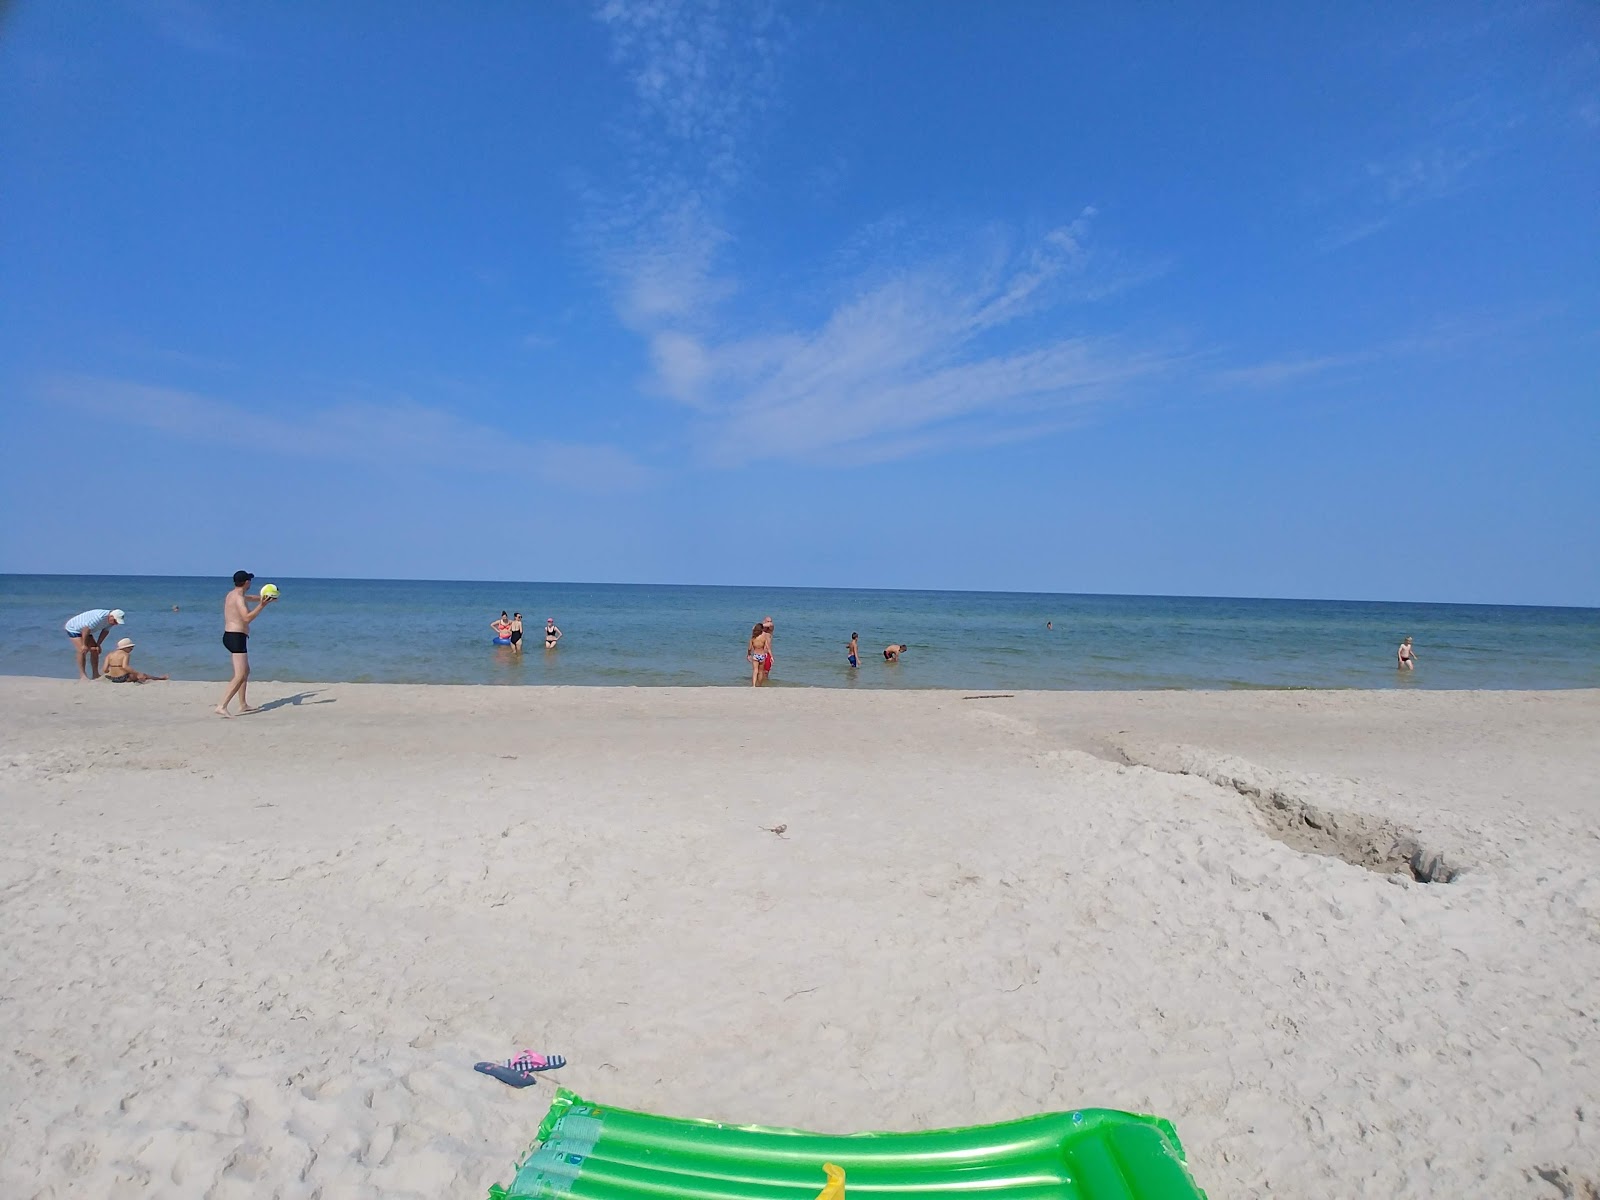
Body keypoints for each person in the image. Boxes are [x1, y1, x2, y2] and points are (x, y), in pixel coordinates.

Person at [215, 570, 276, 718]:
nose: (251, 582)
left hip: (231, 636)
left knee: (245, 671)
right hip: (236, 637)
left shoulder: (233, 594)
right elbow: (247, 618)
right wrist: (262, 606)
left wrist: (265, 599)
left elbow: (250, 598)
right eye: (250, 580)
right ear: (246, 582)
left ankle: (243, 704)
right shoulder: (239, 598)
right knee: (240, 674)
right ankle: (221, 705)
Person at [63, 607, 126, 680]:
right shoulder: (99, 617)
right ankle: (82, 675)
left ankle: (95, 674)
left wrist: (98, 645)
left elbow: (105, 631)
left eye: (117, 622)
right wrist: (84, 644)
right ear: (111, 616)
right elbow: (85, 629)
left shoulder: (111, 621)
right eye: (115, 621)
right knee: (82, 650)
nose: (116, 623)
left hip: (87, 631)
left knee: (95, 650)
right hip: (74, 628)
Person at [102, 637, 167, 684]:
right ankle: (161, 678)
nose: (132, 649)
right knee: (144, 675)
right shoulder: (125, 654)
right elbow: (125, 666)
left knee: (135, 675)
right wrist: (137, 673)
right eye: (131, 647)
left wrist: (113, 670)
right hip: (123, 678)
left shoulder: (110, 655)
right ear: (125, 647)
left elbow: (105, 669)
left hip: (112, 678)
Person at [747, 621, 772, 686]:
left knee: (755, 671)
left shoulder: (753, 638)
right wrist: (771, 656)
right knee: (761, 672)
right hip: (762, 655)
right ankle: (760, 685)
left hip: (755, 655)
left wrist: (748, 654)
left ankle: (754, 685)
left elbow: (749, 648)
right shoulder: (764, 637)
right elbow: (767, 647)